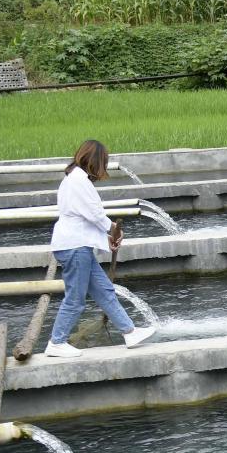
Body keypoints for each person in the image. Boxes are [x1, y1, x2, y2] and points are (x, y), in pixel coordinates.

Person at [43, 140, 153, 358]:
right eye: (103, 162)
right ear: (95, 161)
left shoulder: (74, 178)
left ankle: (129, 332)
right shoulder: (78, 181)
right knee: (75, 299)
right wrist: (114, 230)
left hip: (78, 245)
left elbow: (85, 216)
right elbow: (94, 214)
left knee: (104, 290)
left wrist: (108, 236)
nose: (104, 167)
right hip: (74, 246)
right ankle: (56, 342)